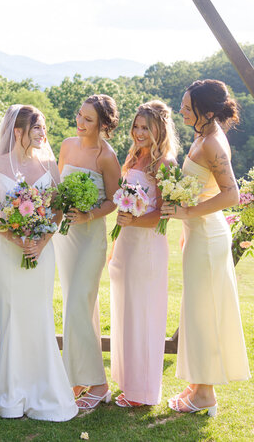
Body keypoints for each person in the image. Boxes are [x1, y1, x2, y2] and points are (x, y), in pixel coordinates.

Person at [0, 105, 78, 421]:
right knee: (11, 311)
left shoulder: (49, 165)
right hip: (8, 251)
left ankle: (40, 383)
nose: (44, 134)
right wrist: (14, 236)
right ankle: (8, 386)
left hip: (41, 254)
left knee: (38, 312)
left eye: (43, 128)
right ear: (18, 132)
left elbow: (57, 210)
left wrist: (41, 241)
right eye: (38, 129)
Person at [161, 79, 251, 416]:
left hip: (209, 235)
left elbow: (231, 194)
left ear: (207, 112)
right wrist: (187, 222)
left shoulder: (214, 143)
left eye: (187, 107)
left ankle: (206, 394)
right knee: (196, 311)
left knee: (206, 311)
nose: (182, 110)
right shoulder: (202, 135)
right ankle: (199, 384)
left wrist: (187, 212)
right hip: (197, 234)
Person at [53, 94, 121, 409]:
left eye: (88, 120)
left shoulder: (107, 156)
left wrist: (88, 214)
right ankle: (77, 379)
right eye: (79, 115)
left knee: (79, 302)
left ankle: (98, 383)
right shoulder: (67, 145)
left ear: (103, 124)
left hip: (91, 237)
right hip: (65, 238)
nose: (80, 123)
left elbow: (115, 199)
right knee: (73, 306)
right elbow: (57, 184)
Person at [109, 101, 178, 408]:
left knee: (145, 316)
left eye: (145, 128)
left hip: (148, 245)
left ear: (159, 130)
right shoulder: (135, 157)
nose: (138, 133)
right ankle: (129, 384)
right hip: (127, 244)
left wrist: (134, 219)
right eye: (136, 126)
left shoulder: (164, 164)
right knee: (127, 313)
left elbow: (165, 215)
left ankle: (144, 393)